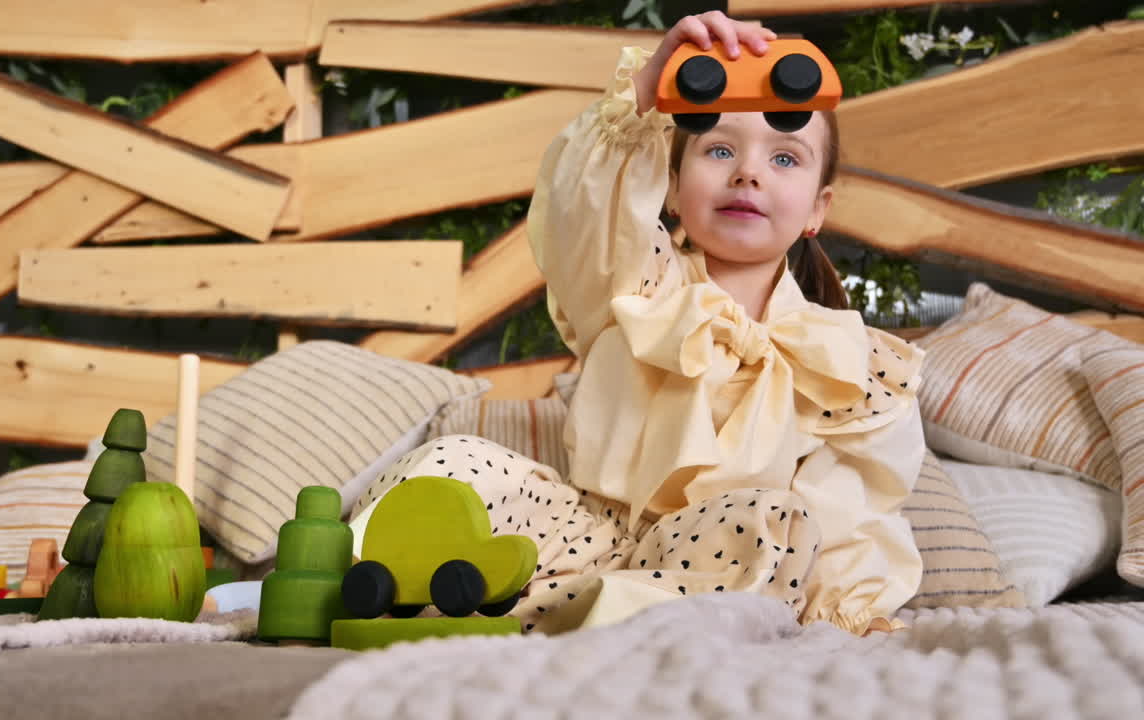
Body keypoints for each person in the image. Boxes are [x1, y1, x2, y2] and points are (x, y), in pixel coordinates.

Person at [349, 11, 926, 637]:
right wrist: (643, 101)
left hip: (712, 560)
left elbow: (852, 516)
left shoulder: (853, 362)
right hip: (581, 539)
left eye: (785, 157)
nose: (748, 174)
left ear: (818, 208)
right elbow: (586, 214)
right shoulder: (631, 282)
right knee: (455, 461)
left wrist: (846, 616)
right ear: (671, 188)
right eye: (720, 149)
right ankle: (409, 583)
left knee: (773, 522)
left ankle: (571, 617)